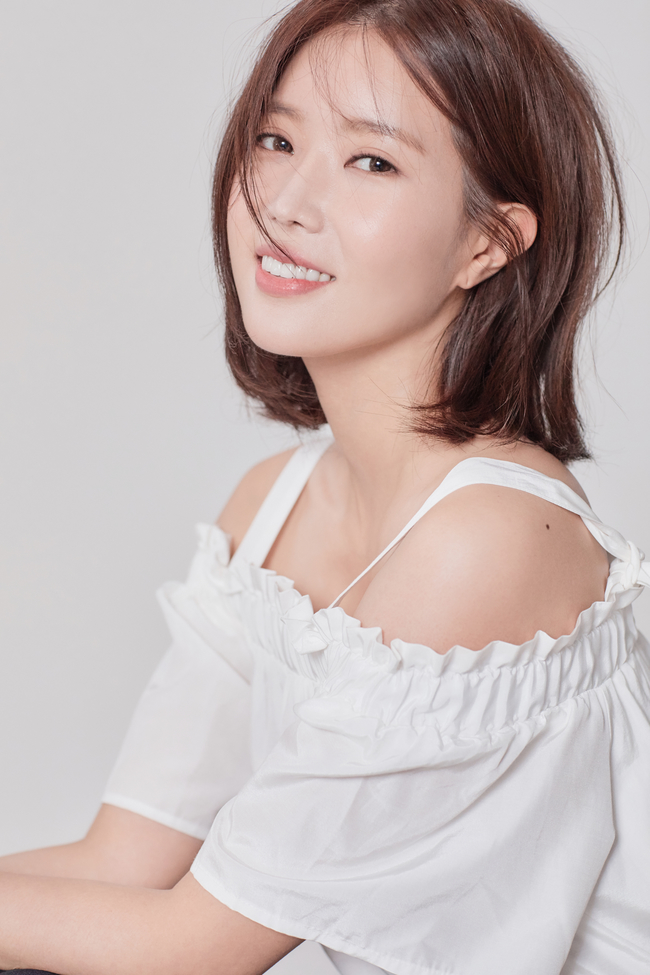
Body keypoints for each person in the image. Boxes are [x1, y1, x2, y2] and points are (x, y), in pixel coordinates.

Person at [1, 0, 649, 972]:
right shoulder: (272, 507)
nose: (287, 203)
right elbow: (125, 865)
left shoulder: (486, 537)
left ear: (488, 242)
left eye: (371, 161)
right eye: (276, 140)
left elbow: (192, 946)